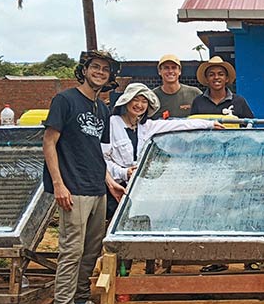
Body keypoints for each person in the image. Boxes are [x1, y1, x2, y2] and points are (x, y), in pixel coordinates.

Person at [44, 50, 126, 304]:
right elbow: (49, 143)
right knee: (71, 251)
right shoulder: (65, 100)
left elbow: (96, 153)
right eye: (95, 67)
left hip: (96, 188)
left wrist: (109, 182)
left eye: (105, 69)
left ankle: (79, 302)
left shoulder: (102, 108)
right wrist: (58, 184)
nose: (100, 72)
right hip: (73, 188)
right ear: (84, 70)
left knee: (91, 250)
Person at [103, 83, 223, 221]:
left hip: (137, 188)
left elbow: (179, 124)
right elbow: (102, 159)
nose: (139, 105)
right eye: (136, 100)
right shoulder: (112, 123)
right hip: (113, 189)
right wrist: (123, 172)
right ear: (126, 101)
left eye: (144, 101)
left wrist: (209, 124)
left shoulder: (147, 126)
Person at [190, 56, 254, 118]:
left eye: (221, 74)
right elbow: (193, 124)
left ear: (227, 78)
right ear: (206, 79)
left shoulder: (239, 101)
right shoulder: (198, 102)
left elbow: (250, 125)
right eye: (211, 75)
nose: (216, 77)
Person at [150, 54, 202, 119]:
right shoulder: (152, 97)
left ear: (179, 71)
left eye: (174, 67)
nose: (170, 71)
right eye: (166, 68)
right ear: (159, 71)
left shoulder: (194, 93)